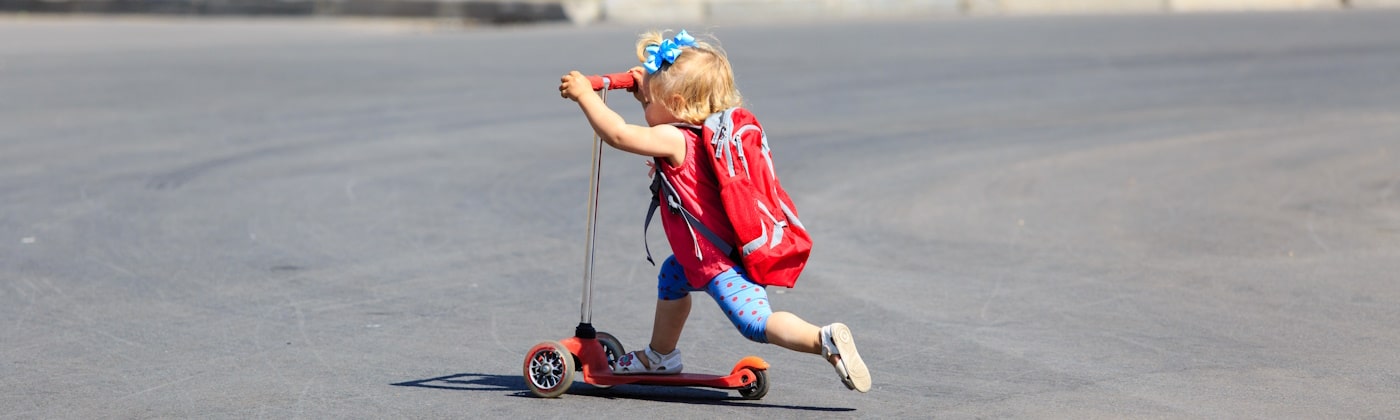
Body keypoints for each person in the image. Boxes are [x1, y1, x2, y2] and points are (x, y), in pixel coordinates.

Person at [558, 29, 871, 393]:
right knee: (672, 276)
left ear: (674, 101)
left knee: (755, 323)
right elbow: (658, 125)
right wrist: (647, 96)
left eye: (651, 100)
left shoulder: (674, 139)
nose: (646, 105)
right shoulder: (700, 136)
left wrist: (585, 96)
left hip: (717, 264)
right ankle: (661, 355)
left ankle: (823, 340)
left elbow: (619, 135)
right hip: (703, 257)